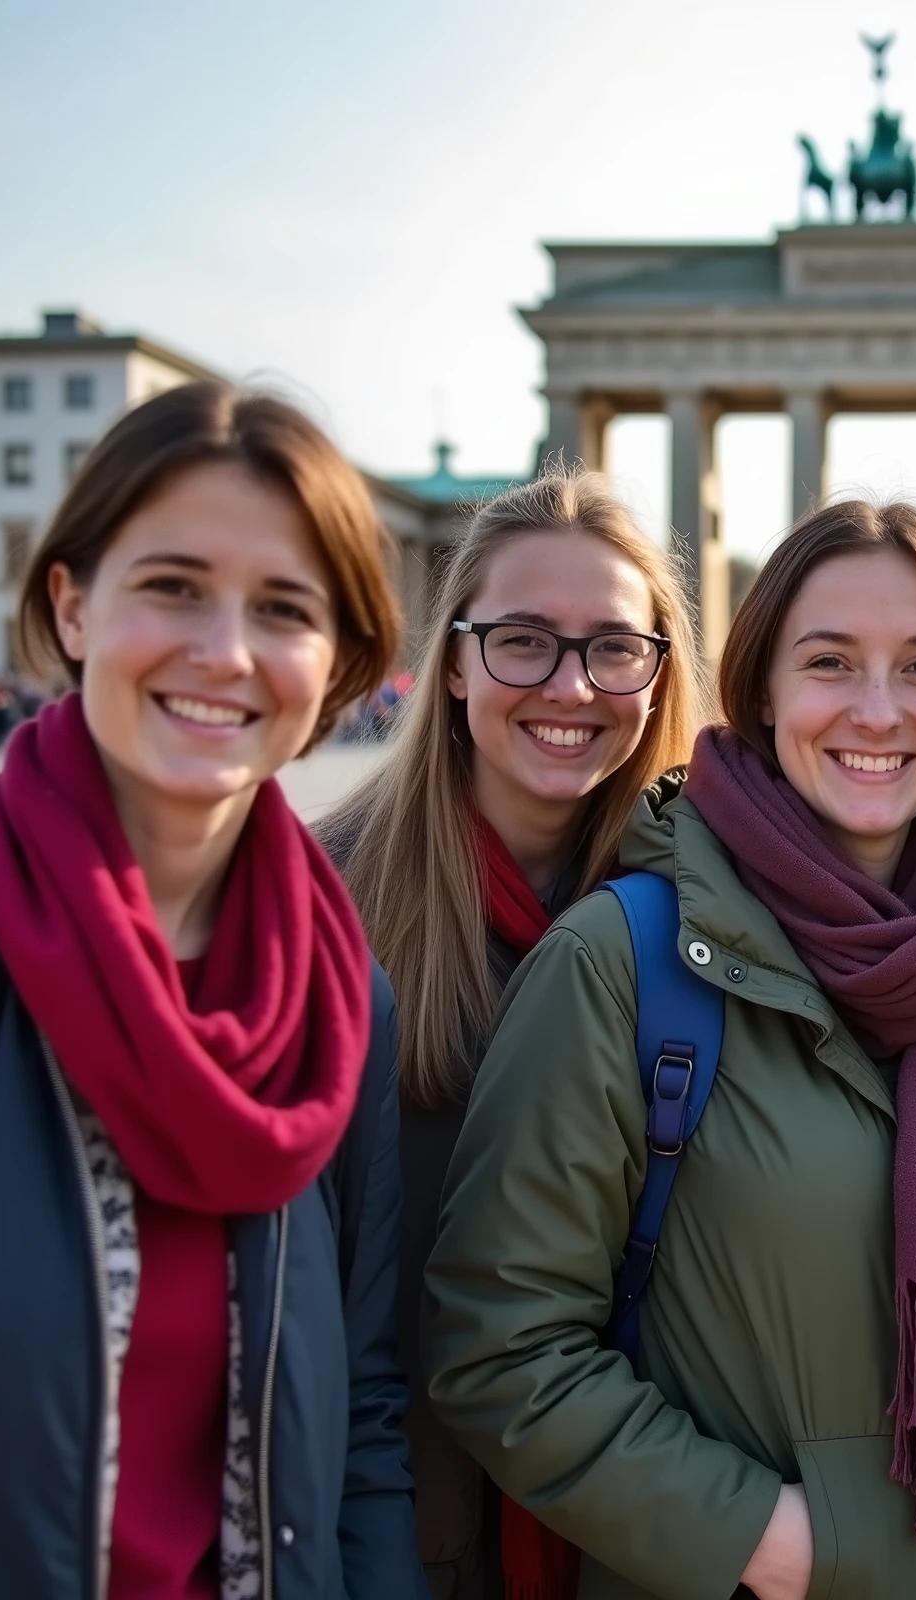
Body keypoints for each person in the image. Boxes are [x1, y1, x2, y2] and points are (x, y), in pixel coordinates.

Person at [425, 500, 916, 1600]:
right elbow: (497, 1348)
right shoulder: (619, 959)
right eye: (828, 662)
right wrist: (777, 1540)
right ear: (759, 689)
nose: (876, 709)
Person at [0, 381, 428, 1599]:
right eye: (173, 585)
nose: (224, 651)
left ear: (340, 664)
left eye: (283, 608)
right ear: (72, 603)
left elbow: (358, 1416)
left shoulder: (341, 1000)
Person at [321, 470, 702, 1600]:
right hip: (394, 1548)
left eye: (613, 647)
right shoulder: (318, 906)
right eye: (522, 641)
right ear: (450, 660)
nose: (571, 685)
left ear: (658, 671)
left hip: (644, 1543)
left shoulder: (713, 921)